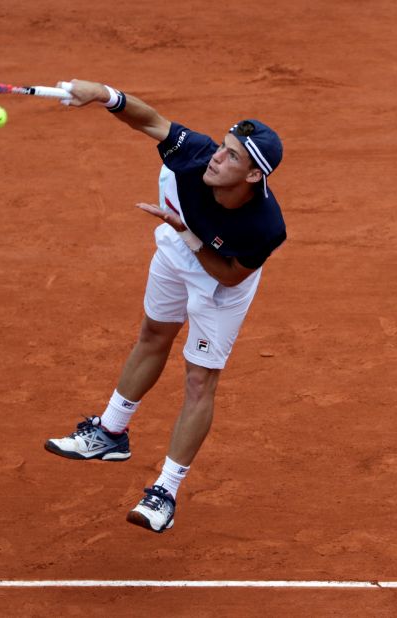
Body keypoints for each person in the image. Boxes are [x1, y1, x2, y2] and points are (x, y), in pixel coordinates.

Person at [44, 79, 286, 533]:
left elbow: (231, 274)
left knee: (199, 380)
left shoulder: (265, 226)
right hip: (177, 248)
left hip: (220, 281)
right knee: (153, 333)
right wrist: (104, 94)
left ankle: (165, 493)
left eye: (232, 155)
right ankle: (111, 433)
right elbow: (151, 120)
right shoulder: (195, 152)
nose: (218, 155)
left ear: (254, 175)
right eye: (224, 145)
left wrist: (188, 233)